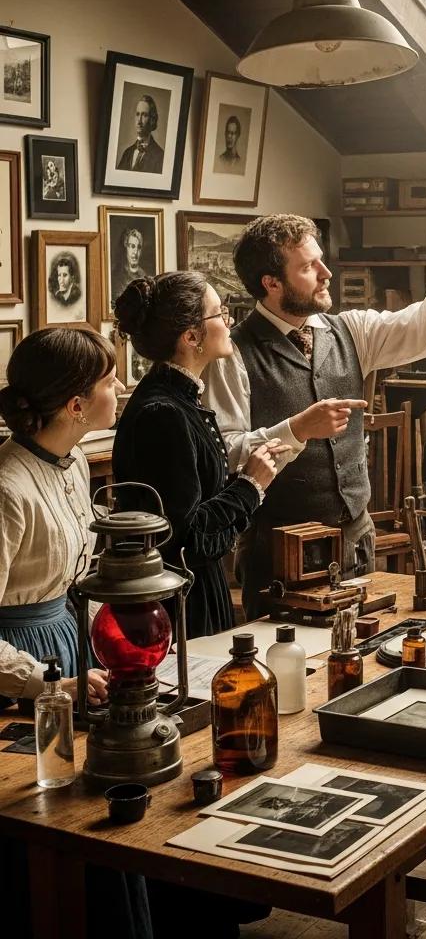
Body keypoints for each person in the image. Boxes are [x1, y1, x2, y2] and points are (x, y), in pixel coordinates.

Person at [203, 213, 426, 618]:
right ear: (271, 283)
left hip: (355, 539)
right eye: (308, 267)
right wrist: (296, 429)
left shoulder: (350, 330)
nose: (326, 274)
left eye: (321, 260)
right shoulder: (232, 355)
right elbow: (225, 454)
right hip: (279, 549)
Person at [0, 327, 154, 939]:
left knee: (101, 810)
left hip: (66, 648)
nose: (120, 388)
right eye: (109, 381)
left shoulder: (69, 464)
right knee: (44, 819)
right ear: (75, 405)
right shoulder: (7, 488)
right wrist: (43, 682)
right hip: (21, 670)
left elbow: (76, 575)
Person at [112, 271, 283, 638]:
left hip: (197, 591)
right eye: (220, 314)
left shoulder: (179, 402)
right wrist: (251, 485)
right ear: (191, 337)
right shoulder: (164, 414)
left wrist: (246, 486)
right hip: (180, 606)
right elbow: (186, 536)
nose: (229, 322)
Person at [116, 93, 165, 174]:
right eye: (137, 114)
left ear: (152, 120)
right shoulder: (127, 153)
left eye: (144, 115)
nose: (139, 121)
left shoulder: (160, 156)